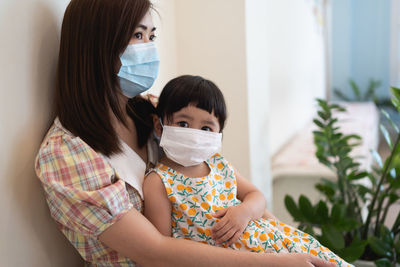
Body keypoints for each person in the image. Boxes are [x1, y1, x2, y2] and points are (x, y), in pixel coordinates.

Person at [34, 0, 337, 266]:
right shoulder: (66, 154)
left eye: (152, 36)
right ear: (98, 44)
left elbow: (226, 190)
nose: (150, 48)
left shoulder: (156, 112)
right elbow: (156, 253)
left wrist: (288, 244)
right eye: (138, 35)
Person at [144, 75, 352, 267]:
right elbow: (164, 250)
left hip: (275, 242)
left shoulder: (219, 165)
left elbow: (256, 196)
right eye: (183, 123)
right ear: (159, 126)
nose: (195, 134)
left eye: (206, 128)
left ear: (218, 134)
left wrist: (245, 212)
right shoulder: (159, 181)